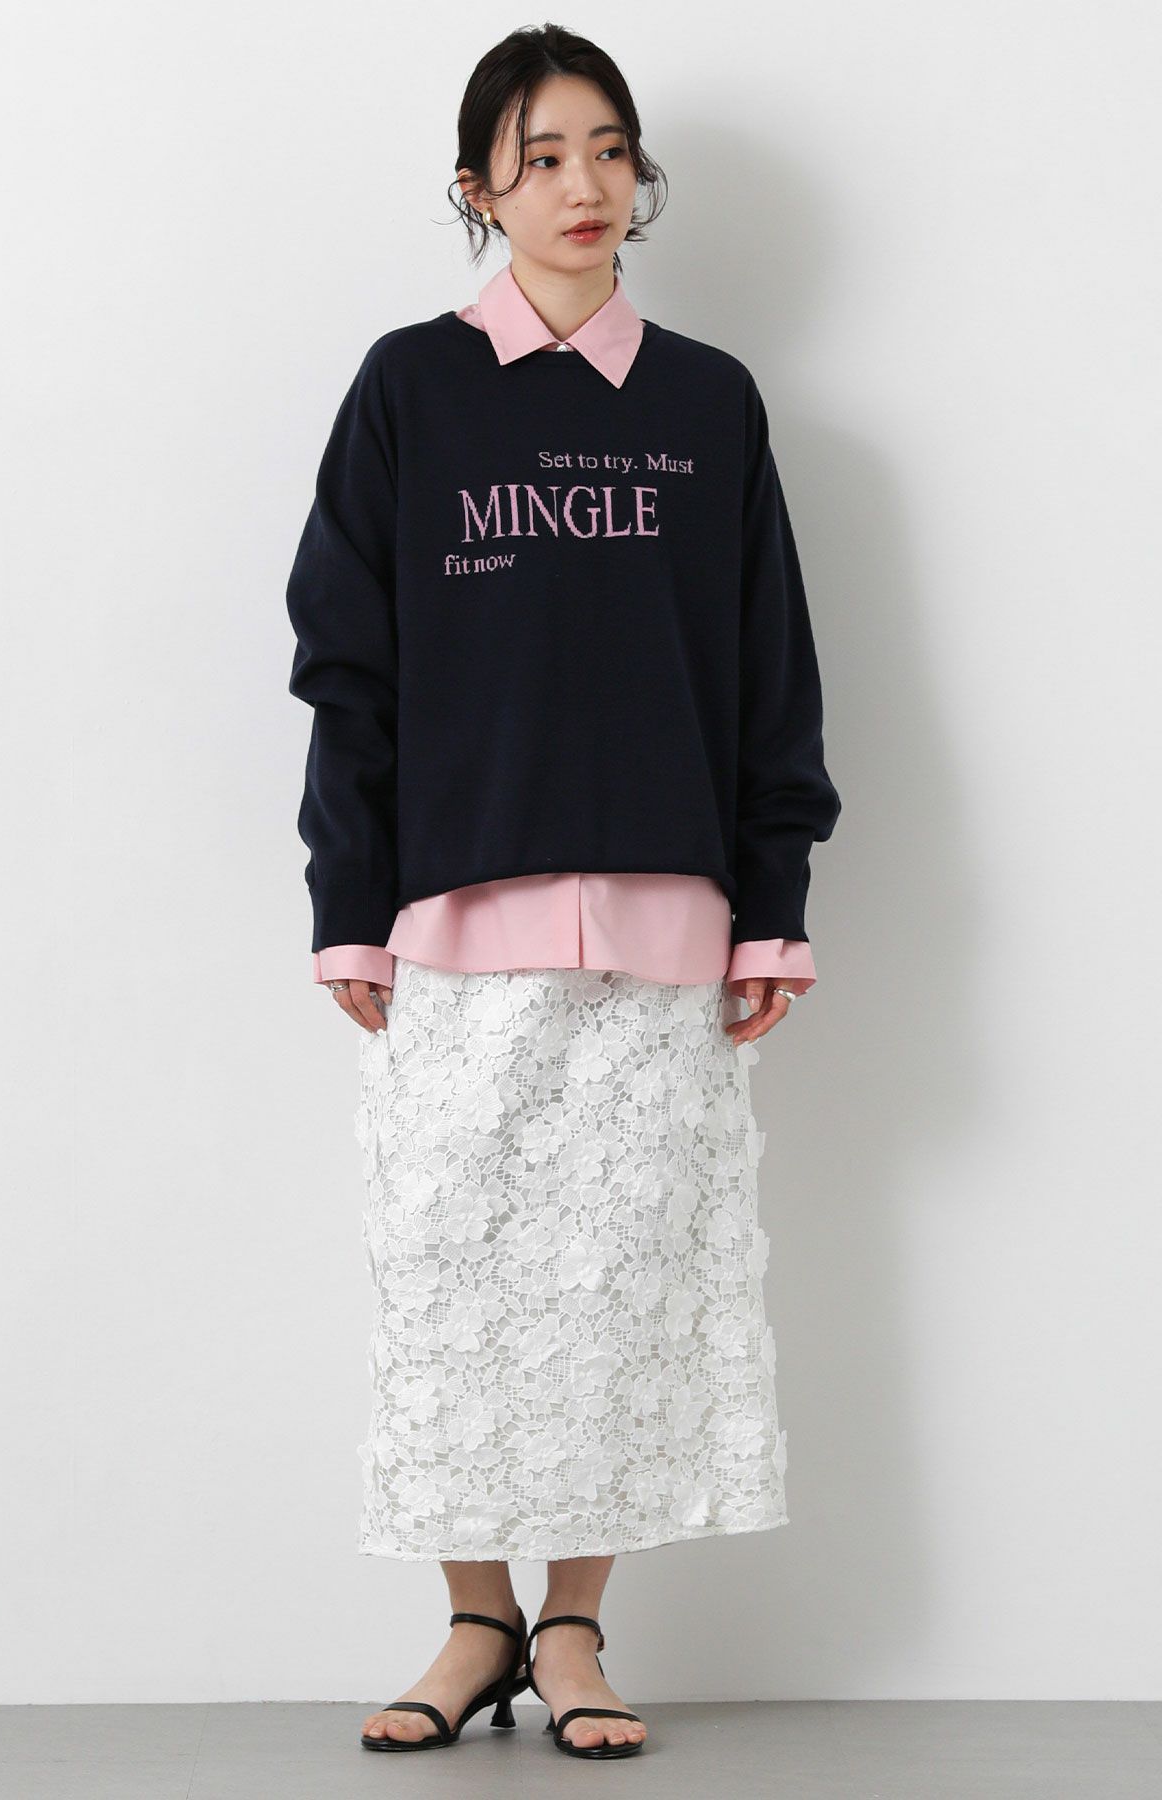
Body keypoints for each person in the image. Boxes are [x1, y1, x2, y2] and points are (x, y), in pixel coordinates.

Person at [284, 24, 842, 1762]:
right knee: (453, 1278)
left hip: (667, 927)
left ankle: (579, 1631)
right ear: (479, 188)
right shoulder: (411, 389)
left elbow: (768, 668)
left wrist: (773, 896)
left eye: (609, 149)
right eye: (540, 157)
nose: (583, 186)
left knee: (618, 1287)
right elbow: (348, 665)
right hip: (456, 918)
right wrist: (349, 900)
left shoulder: (707, 403)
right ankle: (475, 1625)